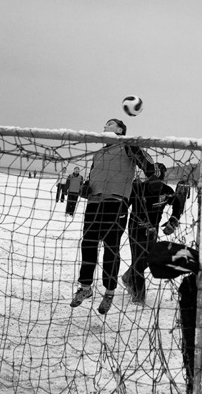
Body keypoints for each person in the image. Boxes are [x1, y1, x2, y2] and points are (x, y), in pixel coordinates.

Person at [69, 118, 156, 314]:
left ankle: (109, 292)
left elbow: (150, 168)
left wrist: (142, 159)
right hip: (94, 203)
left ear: (120, 130)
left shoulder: (128, 147)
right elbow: (93, 177)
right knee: (88, 244)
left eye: (109, 124)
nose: (104, 126)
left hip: (116, 204)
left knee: (111, 247)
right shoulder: (98, 154)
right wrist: (85, 188)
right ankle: (85, 288)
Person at [148, 241, 202, 390]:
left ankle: (199, 378)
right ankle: (195, 378)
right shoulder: (199, 268)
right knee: (194, 342)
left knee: (201, 340)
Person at [122, 162, 184, 303]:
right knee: (138, 260)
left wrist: (172, 221)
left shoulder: (166, 190)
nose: (156, 183)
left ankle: (128, 276)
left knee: (151, 259)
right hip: (136, 228)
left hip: (152, 230)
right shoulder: (138, 189)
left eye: (159, 179)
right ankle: (139, 296)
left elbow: (178, 203)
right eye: (152, 179)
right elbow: (124, 206)